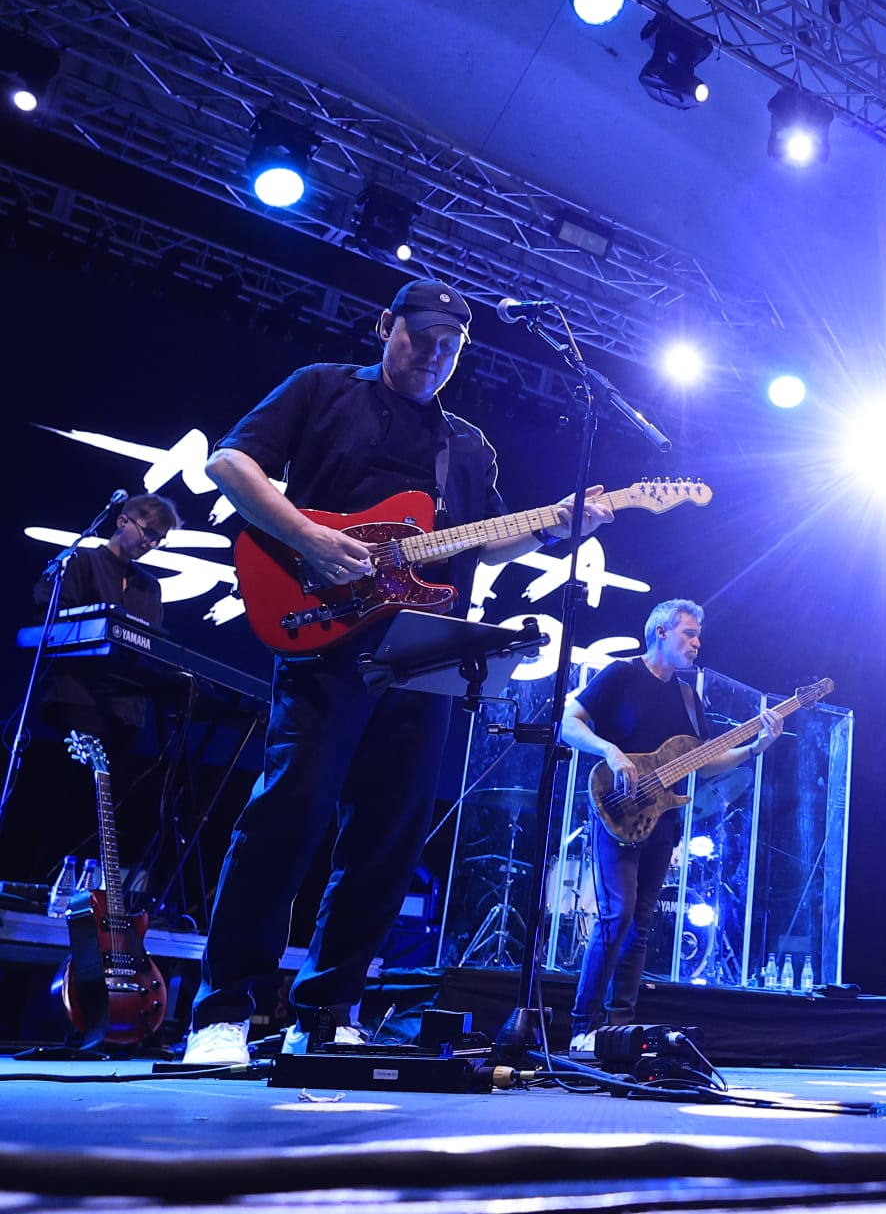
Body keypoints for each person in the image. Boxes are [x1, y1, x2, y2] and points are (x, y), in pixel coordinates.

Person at [181, 279, 616, 1064]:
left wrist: (558, 526)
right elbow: (229, 463)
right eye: (421, 338)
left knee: (388, 837)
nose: (434, 356)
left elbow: (480, 545)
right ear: (386, 326)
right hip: (325, 637)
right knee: (288, 815)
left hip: (425, 654)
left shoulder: (467, 446)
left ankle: (328, 1009)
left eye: (451, 347)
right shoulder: (322, 388)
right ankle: (223, 1012)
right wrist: (310, 538)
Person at [561, 598, 782, 1052]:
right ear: (660, 632)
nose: (697, 643)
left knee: (641, 922)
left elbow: (702, 759)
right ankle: (583, 1025)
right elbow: (568, 722)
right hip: (616, 811)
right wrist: (610, 752)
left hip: (662, 820)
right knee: (617, 914)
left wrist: (756, 746)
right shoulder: (621, 674)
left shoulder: (687, 696)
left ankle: (618, 1028)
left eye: (699, 635)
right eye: (689, 633)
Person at [21, 494, 180, 882]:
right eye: (148, 532)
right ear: (123, 521)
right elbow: (52, 616)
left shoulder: (150, 587)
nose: (151, 543)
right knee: (67, 791)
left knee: (102, 808)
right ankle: (39, 878)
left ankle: (81, 888)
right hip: (78, 694)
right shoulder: (82, 561)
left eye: (159, 539)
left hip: (125, 709)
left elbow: (150, 644)